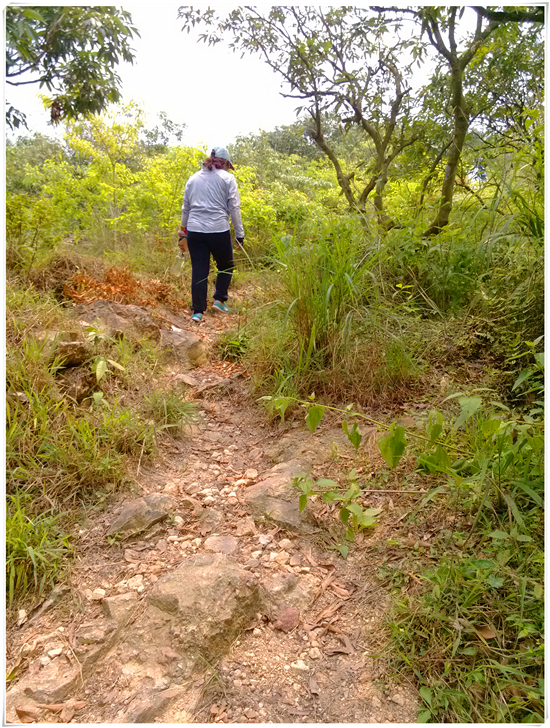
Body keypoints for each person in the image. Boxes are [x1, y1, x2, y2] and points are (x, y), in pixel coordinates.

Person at [178, 146, 245, 323]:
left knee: (199, 270)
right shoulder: (228, 178)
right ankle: (219, 300)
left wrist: (183, 232)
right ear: (225, 164)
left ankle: (197, 312)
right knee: (226, 265)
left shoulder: (193, 178)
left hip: (195, 230)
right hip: (218, 230)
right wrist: (240, 234)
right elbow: (234, 207)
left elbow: (186, 208)